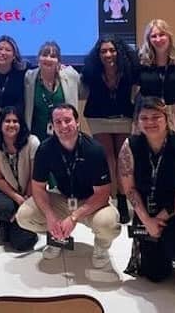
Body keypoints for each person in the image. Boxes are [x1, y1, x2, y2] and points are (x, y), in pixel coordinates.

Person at [16, 104, 121, 269]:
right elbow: (38, 187)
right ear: (52, 125)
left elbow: (103, 193)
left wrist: (74, 217)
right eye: (58, 122)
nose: (63, 126)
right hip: (62, 196)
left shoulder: (94, 150)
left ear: (77, 122)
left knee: (108, 224)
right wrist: (50, 216)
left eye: (67, 120)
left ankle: (101, 247)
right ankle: (56, 237)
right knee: (24, 215)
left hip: (91, 201)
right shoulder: (45, 149)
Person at [118, 96, 175, 290]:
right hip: (147, 210)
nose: (150, 122)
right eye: (144, 118)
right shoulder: (130, 146)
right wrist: (147, 221)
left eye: (156, 117)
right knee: (155, 274)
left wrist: (161, 218)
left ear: (166, 118)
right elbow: (129, 189)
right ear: (137, 121)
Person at [81, 35, 139, 223]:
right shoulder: (91, 71)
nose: (108, 54)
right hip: (98, 118)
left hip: (123, 116)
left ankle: (122, 199)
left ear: (119, 51)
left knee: (123, 158)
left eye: (112, 50)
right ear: (98, 54)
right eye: (103, 51)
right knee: (108, 159)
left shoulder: (129, 70)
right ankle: (110, 199)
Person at [0, 106, 40, 251]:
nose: (11, 124)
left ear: (21, 124)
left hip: (31, 191)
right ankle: (11, 221)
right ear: (0, 124)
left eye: (15, 121)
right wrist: (17, 198)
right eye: (7, 121)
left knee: (21, 244)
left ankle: (18, 222)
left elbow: (35, 177)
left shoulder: (32, 142)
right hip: (8, 191)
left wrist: (26, 200)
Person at [138, 19, 175, 137]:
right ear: (148, 39)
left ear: (169, 36)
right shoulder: (140, 60)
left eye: (162, 34)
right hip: (149, 113)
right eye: (153, 36)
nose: (158, 39)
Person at [23, 41, 80, 142]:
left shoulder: (71, 76)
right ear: (38, 59)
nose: (48, 59)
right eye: (44, 55)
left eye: (53, 56)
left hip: (65, 135)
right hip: (36, 137)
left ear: (58, 61)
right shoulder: (29, 78)